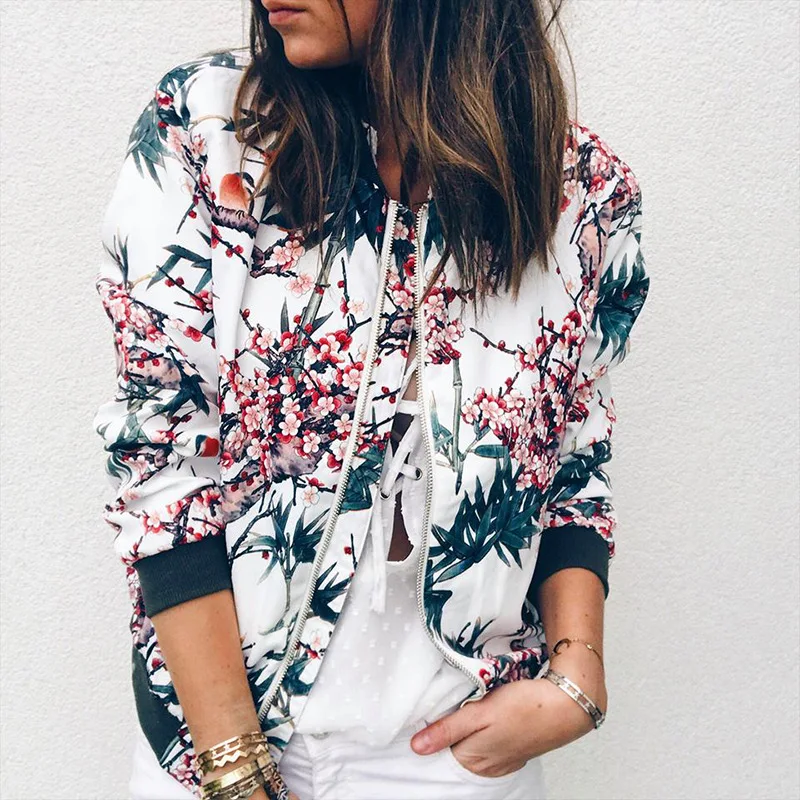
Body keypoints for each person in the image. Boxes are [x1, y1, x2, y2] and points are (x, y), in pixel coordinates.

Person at [92, 1, 650, 798]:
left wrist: (577, 676)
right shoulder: (212, 133)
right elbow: (162, 456)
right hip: (218, 749)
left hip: (451, 756)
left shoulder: (581, 195)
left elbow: (572, 453)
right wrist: (234, 770)